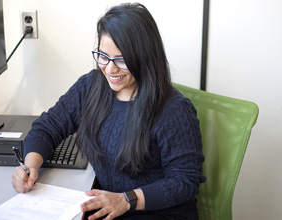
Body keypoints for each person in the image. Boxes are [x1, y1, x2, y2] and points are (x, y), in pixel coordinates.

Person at [11, 2, 205, 220]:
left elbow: (184, 181)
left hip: (157, 212)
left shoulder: (173, 110)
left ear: (144, 57)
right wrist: (30, 168)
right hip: (110, 207)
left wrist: (125, 200)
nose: (110, 69)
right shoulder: (90, 87)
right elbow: (48, 127)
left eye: (121, 60)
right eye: (103, 56)